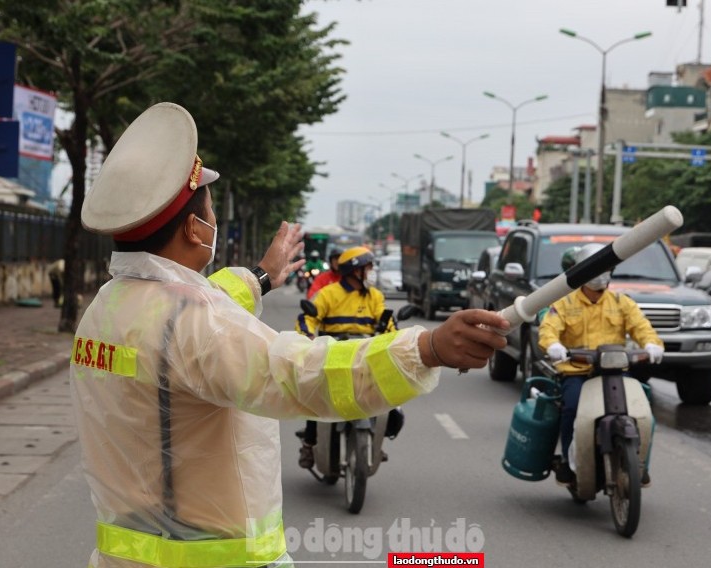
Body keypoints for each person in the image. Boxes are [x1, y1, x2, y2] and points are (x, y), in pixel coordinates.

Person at [71, 102, 510, 568]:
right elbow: (301, 373)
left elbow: (187, 324)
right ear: (194, 229)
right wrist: (426, 349)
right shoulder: (195, 324)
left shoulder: (108, 308)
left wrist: (261, 277)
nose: (213, 221)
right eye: (210, 210)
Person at [538, 243, 664, 488]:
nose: (601, 274)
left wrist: (652, 344)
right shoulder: (564, 303)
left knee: (641, 413)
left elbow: (642, 327)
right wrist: (553, 345)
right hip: (577, 372)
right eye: (595, 268)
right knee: (572, 408)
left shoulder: (621, 302)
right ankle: (566, 460)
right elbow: (548, 329)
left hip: (614, 372)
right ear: (580, 271)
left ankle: (638, 464)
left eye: (607, 268)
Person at [294, 245, 395, 468]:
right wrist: (308, 336)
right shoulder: (328, 294)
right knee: (317, 401)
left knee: (393, 406)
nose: (370, 274)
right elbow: (308, 318)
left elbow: (386, 322)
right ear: (355, 271)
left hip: (366, 356)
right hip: (333, 356)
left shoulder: (375, 296)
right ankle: (309, 444)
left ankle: (375, 442)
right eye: (367, 269)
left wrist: (397, 339)